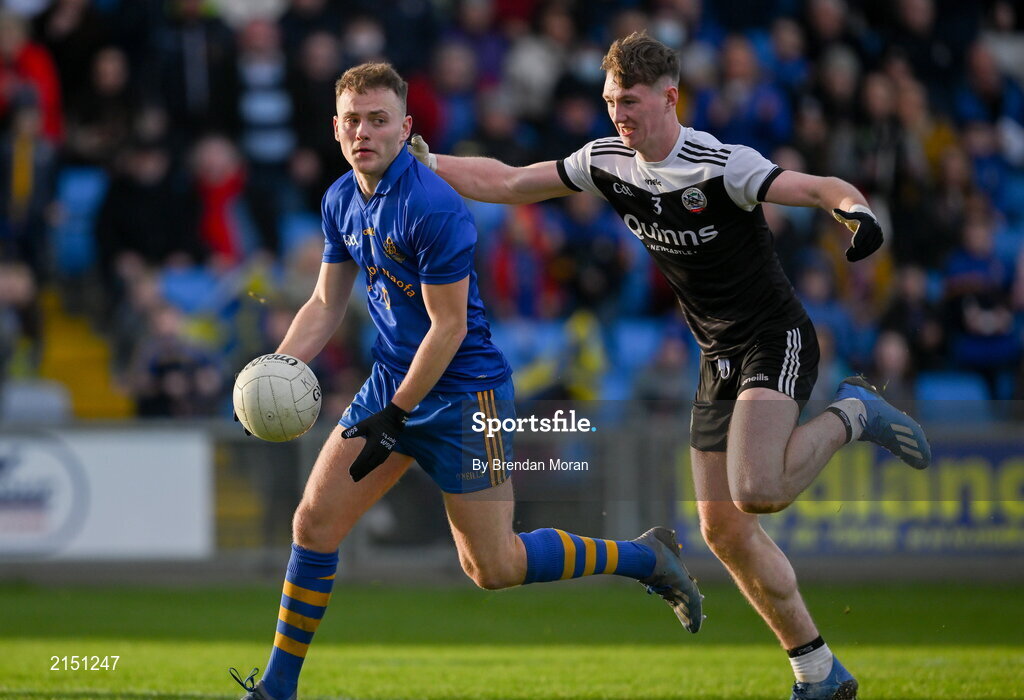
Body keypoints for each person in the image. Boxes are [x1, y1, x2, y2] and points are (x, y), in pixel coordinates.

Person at [409, 31, 933, 700]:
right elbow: (509, 182)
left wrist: (856, 213)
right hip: (717, 354)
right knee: (721, 529)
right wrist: (422, 159)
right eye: (609, 102)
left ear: (668, 97)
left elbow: (817, 186)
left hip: (776, 337)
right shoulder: (607, 160)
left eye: (628, 102)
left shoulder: (721, 164)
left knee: (757, 491)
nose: (617, 115)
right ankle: (818, 672)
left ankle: (854, 413)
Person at [230, 61, 703, 700]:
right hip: (394, 385)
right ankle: (276, 690)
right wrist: (276, 369)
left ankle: (647, 558)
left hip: (463, 395)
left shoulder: (433, 205)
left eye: (378, 120)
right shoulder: (340, 197)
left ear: (406, 127)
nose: (364, 132)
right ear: (335, 129)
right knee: (313, 524)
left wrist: (394, 414)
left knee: (494, 567)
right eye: (352, 121)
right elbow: (323, 304)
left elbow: (447, 328)